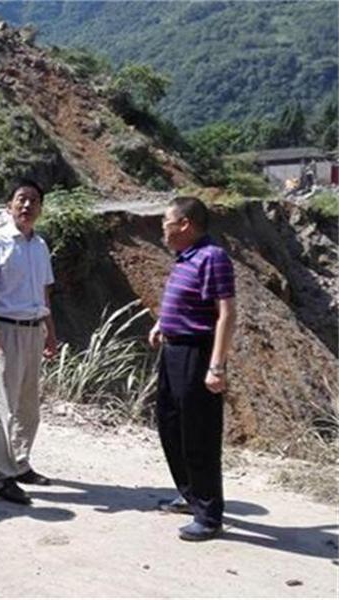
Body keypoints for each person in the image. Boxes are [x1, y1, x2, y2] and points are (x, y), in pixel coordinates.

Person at [148, 196, 236, 542]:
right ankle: (190, 495)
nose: (163, 229)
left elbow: (226, 314)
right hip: (173, 351)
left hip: (196, 354)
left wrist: (217, 366)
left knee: (199, 434)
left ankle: (210, 516)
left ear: (184, 224)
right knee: (170, 425)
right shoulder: (186, 256)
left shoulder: (213, 257)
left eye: (166, 222)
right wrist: (162, 323)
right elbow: (184, 299)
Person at [0, 178, 58, 505]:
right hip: (5, 330)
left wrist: (50, 331)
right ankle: (0, 477)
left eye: (34, 200)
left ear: (41, 208)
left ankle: (20, 463)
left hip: (34, 330)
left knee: (27, 405)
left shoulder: (40, 246)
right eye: (21, 199)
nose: (27, 205)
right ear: (9, 205)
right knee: (1, 405)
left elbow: (44, 293)